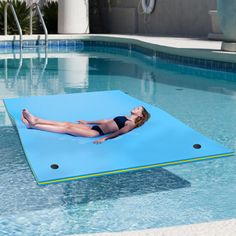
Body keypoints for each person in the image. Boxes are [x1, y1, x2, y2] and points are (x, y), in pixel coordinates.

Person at [21, 106, 150, 144]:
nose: (135, 107)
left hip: (94, 133)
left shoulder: (131, 123)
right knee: (66, 123)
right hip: (92, 128)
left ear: (140, 115)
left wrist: (104, 138)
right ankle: (36, 119)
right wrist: (88, 122)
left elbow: (120, 132)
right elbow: (106, 121)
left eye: (138, 108)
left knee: (67, 128)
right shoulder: (125, 117)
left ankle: (33, 125)